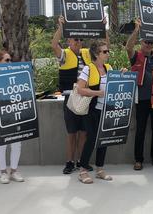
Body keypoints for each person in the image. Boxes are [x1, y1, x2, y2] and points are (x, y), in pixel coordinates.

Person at [51, 15, 90, 174]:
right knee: (71, 133)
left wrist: (103, 27)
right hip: (70, 98)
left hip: (86, 98)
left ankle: (81, 161)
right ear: (69, 41)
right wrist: (61, 26)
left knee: (83, 133)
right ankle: (69, 162)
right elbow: (54, 44)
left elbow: (105, 46)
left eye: (81, 39)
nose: (79, 41)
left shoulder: (88, 54)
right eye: (75, 39)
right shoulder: (65, 55)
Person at [126, 19, 153, 170]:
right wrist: (136, 29)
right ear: (141, 43)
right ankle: (138, 159)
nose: (148, 44)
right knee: (140, 130)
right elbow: (128, 47)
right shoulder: (136, 56)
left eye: (151, 43)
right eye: (146, 42)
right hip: (141, 99)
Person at [75, 40, 114, 184]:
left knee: (104, 140)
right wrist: (98, 93)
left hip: (106, 110)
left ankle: (100, 169)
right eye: (104, 51)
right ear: (96, 54)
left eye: (107, 51)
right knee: (91, 139)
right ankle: (83, 170)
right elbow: (80, 89)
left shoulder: (109, 68)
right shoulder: (88, 69)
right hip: (93, 110)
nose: (107, 53)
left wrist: (121, 74)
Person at [0, 50, 24, 184]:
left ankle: (14, 171)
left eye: (10, 60)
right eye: (6, 60)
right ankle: (3, 172)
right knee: (2, 144)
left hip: (14, 111)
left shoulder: (16, 74)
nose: (10, 63)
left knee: (16, 144)